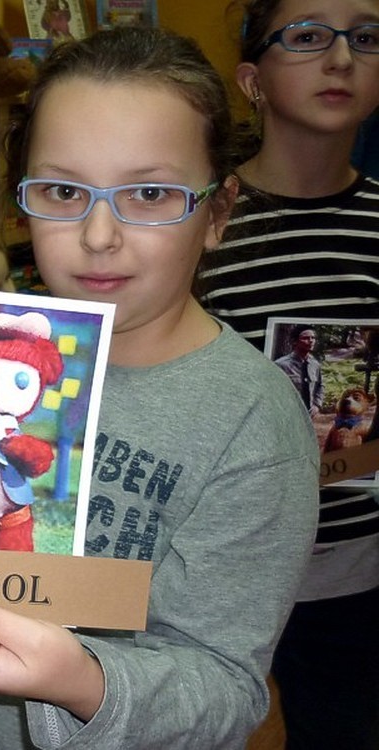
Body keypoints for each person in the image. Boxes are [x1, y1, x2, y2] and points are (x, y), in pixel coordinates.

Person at [0, 26, 321, 750]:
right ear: (24, 201)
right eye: (65, 191)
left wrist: (82, 680)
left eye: (151, 193)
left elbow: (227, 688)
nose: (100, 235)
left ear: (218, 212)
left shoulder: (252, 420)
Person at [196, 1, 379, 747]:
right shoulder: (203, 219)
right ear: (253, 80)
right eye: (307, 37)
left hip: (351, 575)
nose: (341, 58)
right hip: (216, 570)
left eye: (366, 37)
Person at [273, 326, 324, 415]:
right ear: (294, 341)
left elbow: (320, 385)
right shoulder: (281, 364)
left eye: (313, 338)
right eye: (305, 338)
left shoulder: (314, 364)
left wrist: (317, 405)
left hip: (308, 414)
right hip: (288, 413)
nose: (311, 341)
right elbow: (273, 391)